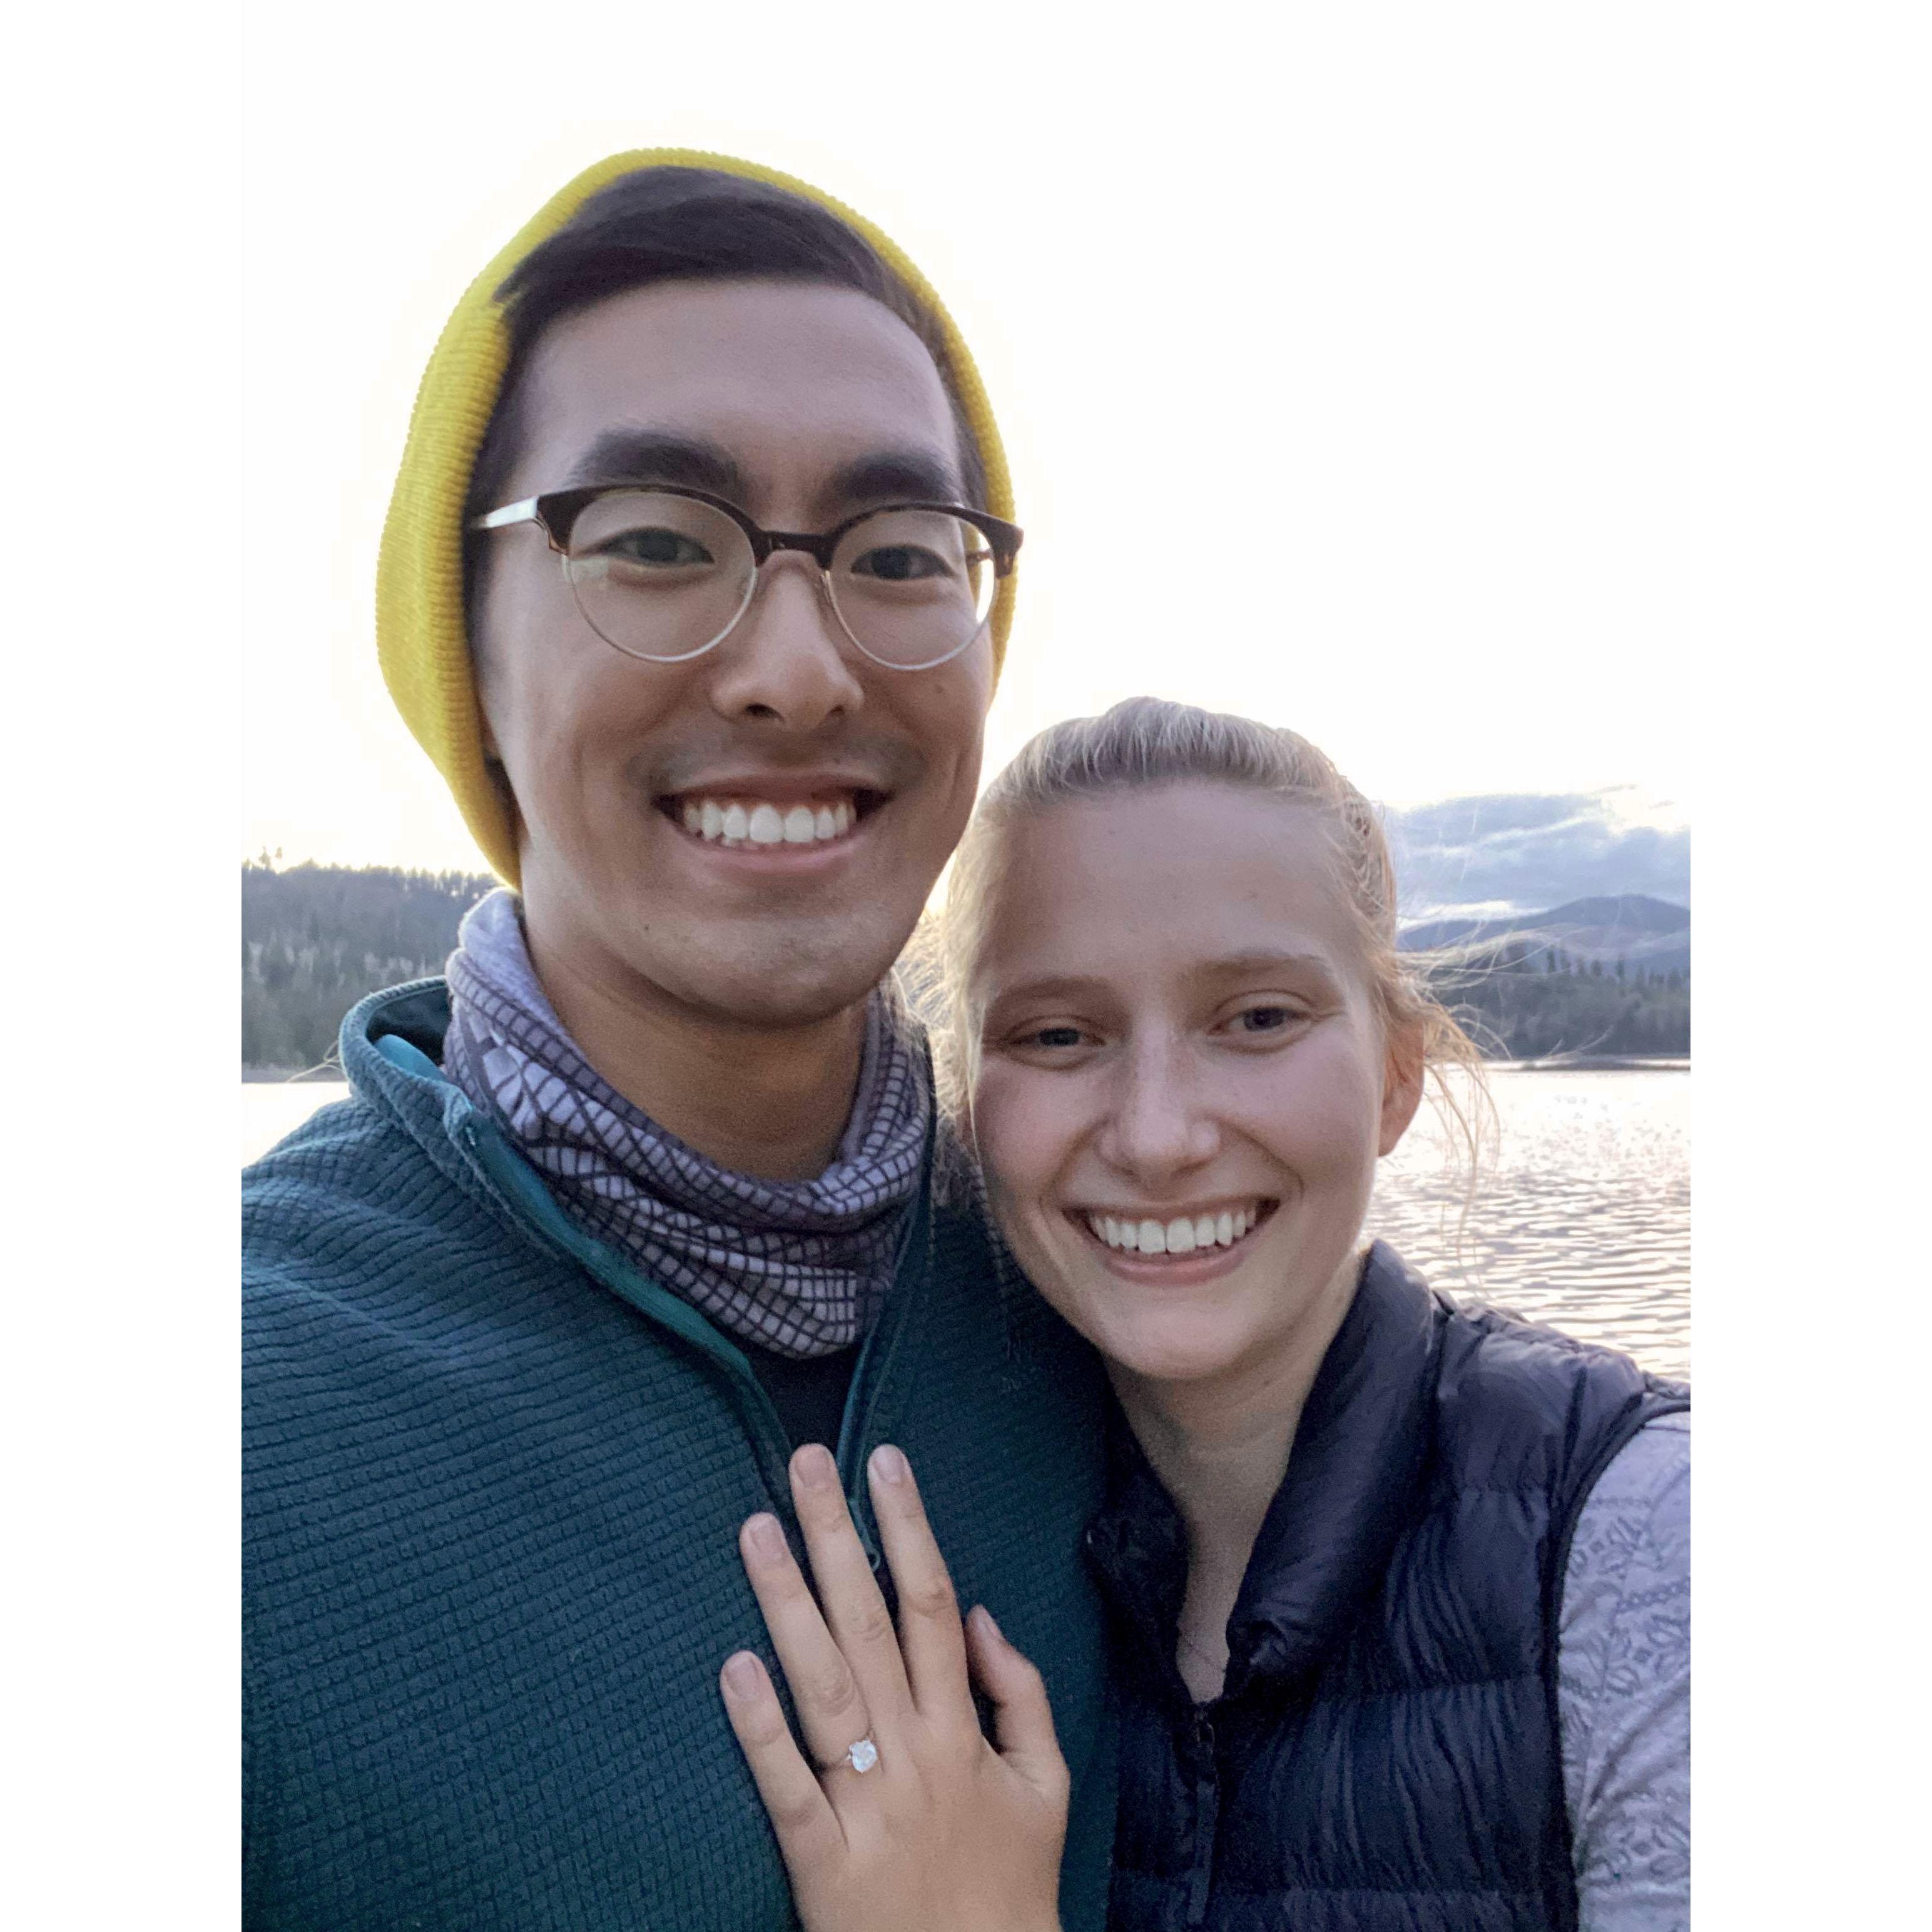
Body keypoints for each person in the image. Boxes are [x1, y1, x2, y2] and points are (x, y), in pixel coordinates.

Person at [241, 152, 1119, 1931]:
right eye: (653, 541)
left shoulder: (1113, 1299)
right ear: (461, 658)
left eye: (892, 554)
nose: (799, 669)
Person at [720, 697, 1690, 1932]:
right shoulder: (946, 1505)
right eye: (1058, 1033)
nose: (1159, 1135)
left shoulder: (1638, 1536)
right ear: (967, 1103)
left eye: (1256, 1018)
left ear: (1393, 1079)